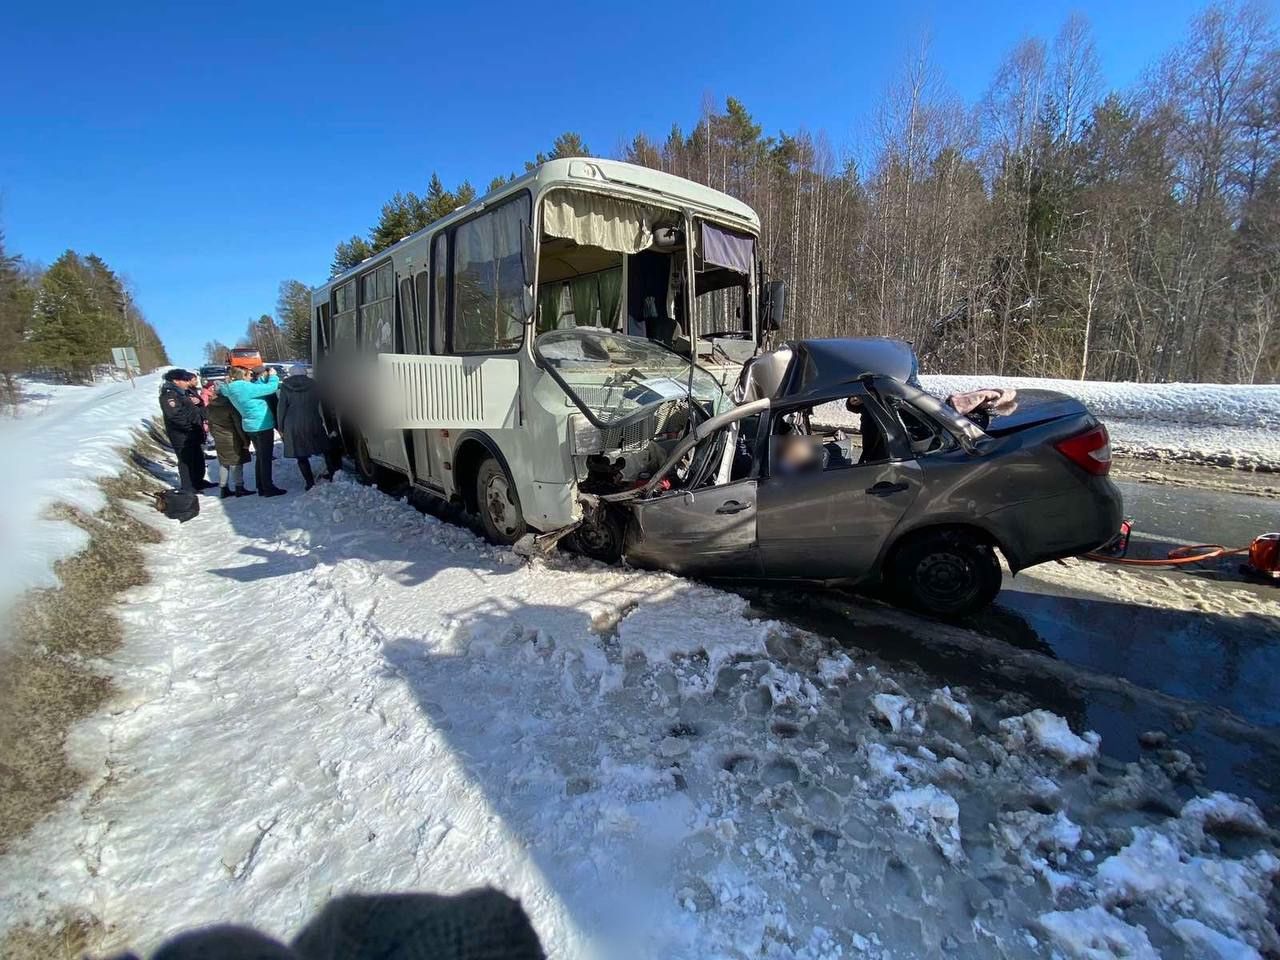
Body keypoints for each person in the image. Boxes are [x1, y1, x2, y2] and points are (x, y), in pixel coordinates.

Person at [222, 366, 286, 497]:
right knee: (266, 458)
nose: (251, 377)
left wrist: (262, 379)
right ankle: (268, 488)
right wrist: (273, 376)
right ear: (243, 376)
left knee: (261, 457)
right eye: (249, 375)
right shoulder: (244, 388)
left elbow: (256, 389)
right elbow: (271, 388)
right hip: (261, 425)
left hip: (250, 426)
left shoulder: (233, 388)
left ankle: (261, 486)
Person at [276, 364, 333, 490]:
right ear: (305, 372)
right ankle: (333, 475)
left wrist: (280, 426)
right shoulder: (314, 384)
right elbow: (324, 401)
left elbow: (281, 407)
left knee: (300, 453)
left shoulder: (285, 386)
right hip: (313, 420)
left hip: (292, 423)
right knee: (325, 448)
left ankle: (309, 482)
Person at [159, 369, 212, 493]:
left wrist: (200, 409)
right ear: (176, 381)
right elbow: (175, 415)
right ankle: (188, 487)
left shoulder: (184, 392)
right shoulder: (169, 395)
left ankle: (198, 481)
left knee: (197, 457)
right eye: (185, 380)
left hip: (193, 430)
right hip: (181, 433)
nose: (188, 383)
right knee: (186, 459)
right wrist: (188, 426)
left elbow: (195, 407)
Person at [205, 380, 252, 497]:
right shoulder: (230, 405)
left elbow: (210, 424)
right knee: (236, 463)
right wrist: (245, 440)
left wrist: (214, 436)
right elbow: (237, 425)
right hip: (233, 438)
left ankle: (223, 488)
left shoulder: (210, 406)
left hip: (219, 438)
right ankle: (239, 487)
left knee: (223, 464)